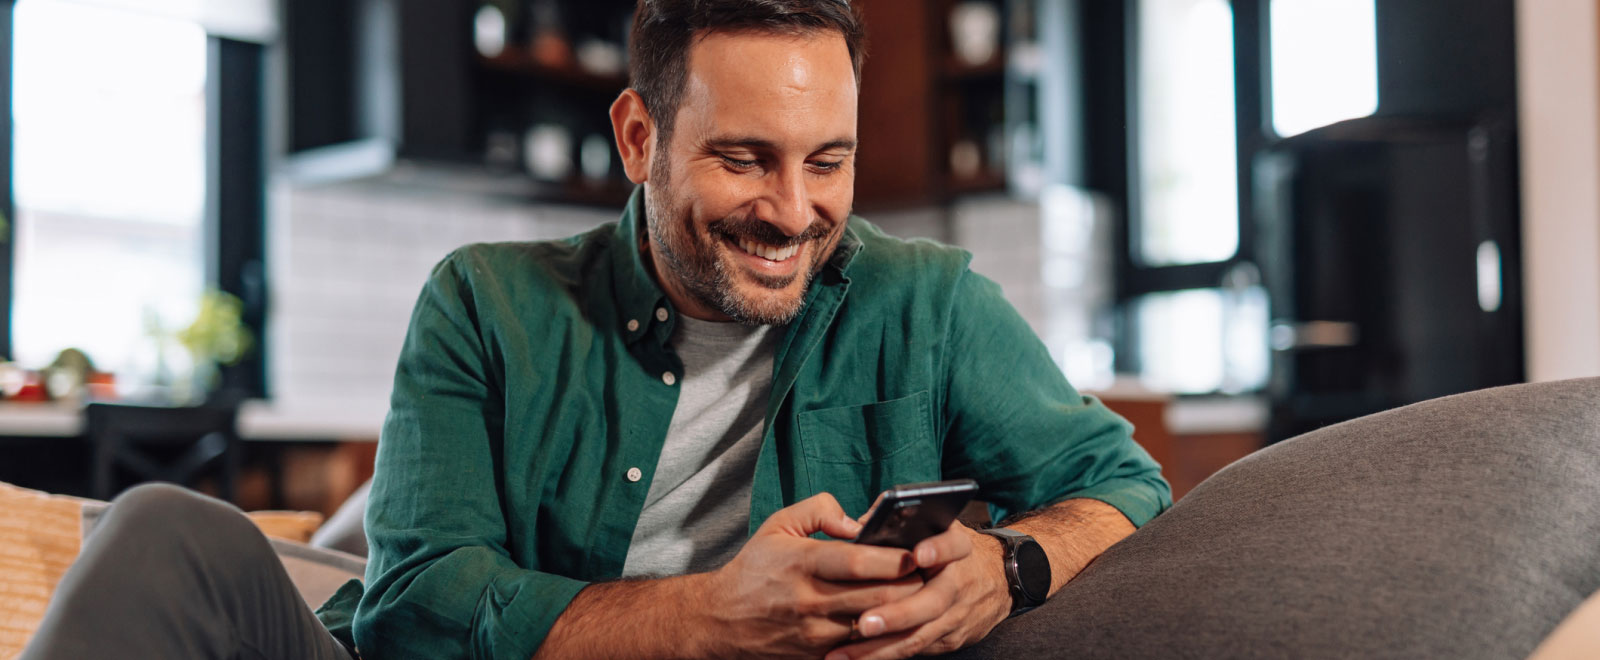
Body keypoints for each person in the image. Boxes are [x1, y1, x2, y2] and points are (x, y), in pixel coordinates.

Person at [22, 1, 1169, 658]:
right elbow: (415, 604)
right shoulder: (485, 300)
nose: (794, 209)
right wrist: (711, 616)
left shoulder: (924, 302)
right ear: (637, 138)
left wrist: (1012, 565)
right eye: (742, 158)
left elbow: (1121, 483)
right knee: (162, 527)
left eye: (828, 162)